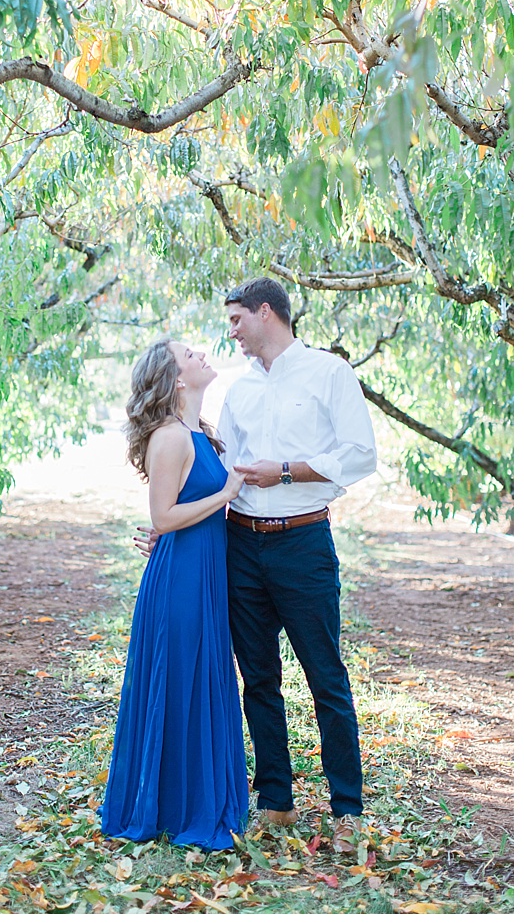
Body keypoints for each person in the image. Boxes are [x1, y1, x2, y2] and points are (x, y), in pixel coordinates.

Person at [219, 276, 376, 853]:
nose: (231, 331)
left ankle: (347, 809)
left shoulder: (329, 373)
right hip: (241, 544)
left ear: (266, 312)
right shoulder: (236, 391)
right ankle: (275, 801)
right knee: (258, 679)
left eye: (237, 319)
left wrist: (286, 471)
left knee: (325, 675)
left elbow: (359, 455)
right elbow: (227, 473)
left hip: (303, 543)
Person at [99, 340, 248, 850]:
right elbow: (163, 517)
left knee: (200, 682)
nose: (201, 353)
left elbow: (176, 513)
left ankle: (189, 798)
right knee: (181, 683)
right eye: (188, 353)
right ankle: (173, 807)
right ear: (176, 378)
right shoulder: (169, 437)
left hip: (203, 573)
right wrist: (226, 495)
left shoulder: (198, 434)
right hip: (181, 580)